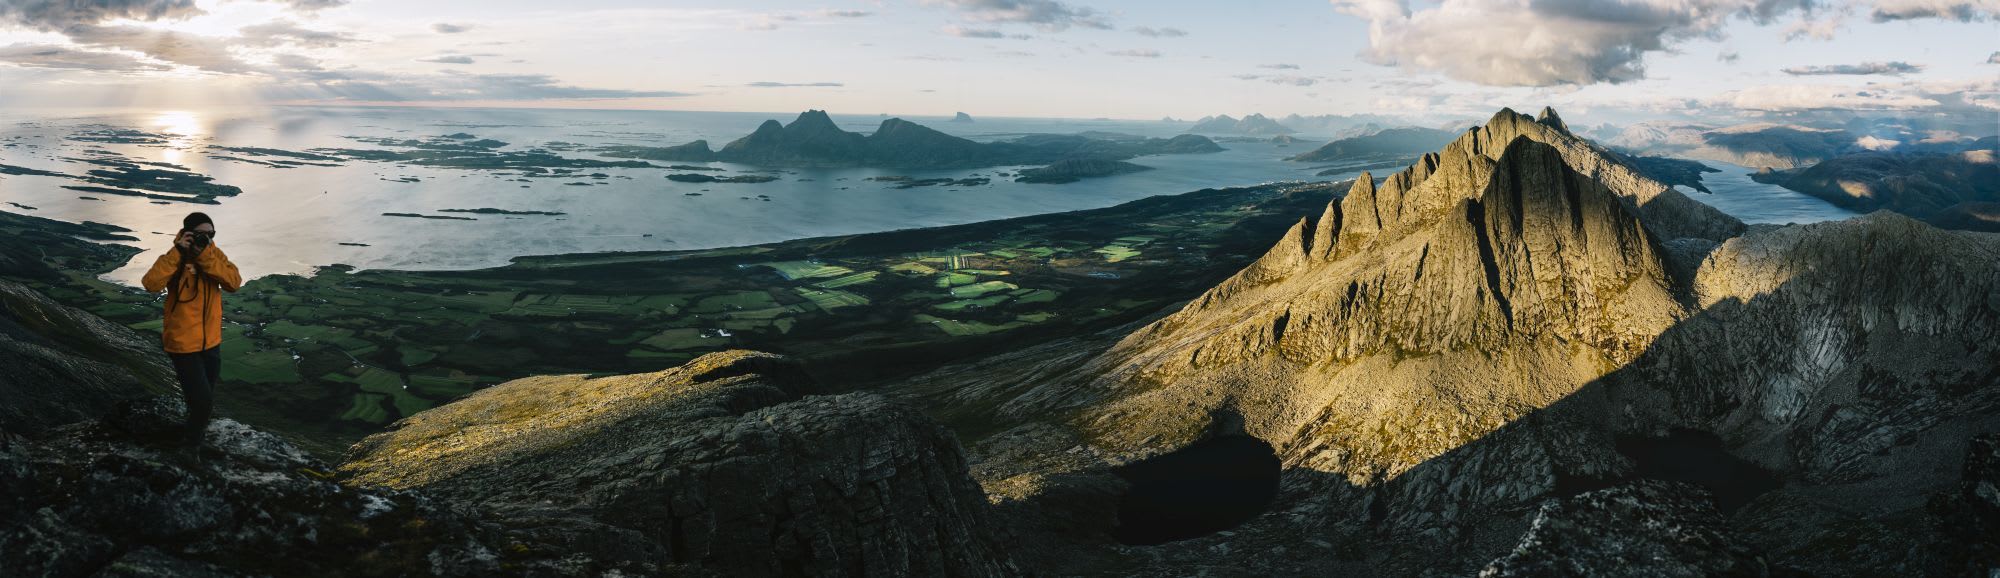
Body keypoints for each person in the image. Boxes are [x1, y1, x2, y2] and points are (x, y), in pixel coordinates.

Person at [140, 212, 242, 448]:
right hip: (183, 345)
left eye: (211, 234)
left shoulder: (213, 254)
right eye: (201, 234)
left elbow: (234, 283)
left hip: (211, 343)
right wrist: (177, 252)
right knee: (203, 402)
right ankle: (191, 448)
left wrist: (205, 257)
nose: (206, 238)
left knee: (201, 398)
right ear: (187, 233)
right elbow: (151, 284)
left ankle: (191, 433)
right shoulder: (175, 257)